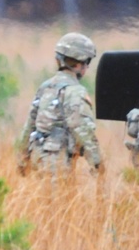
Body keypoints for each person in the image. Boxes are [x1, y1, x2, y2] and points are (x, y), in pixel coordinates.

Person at [18, 32, 102, 175]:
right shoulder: (75, 91)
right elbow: (82, 130)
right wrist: (97, 163)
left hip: (38, 158)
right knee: (60, 197)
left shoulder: (45, 87)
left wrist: (22, 160)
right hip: (58, 162)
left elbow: (29, 126)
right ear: (80, 63)